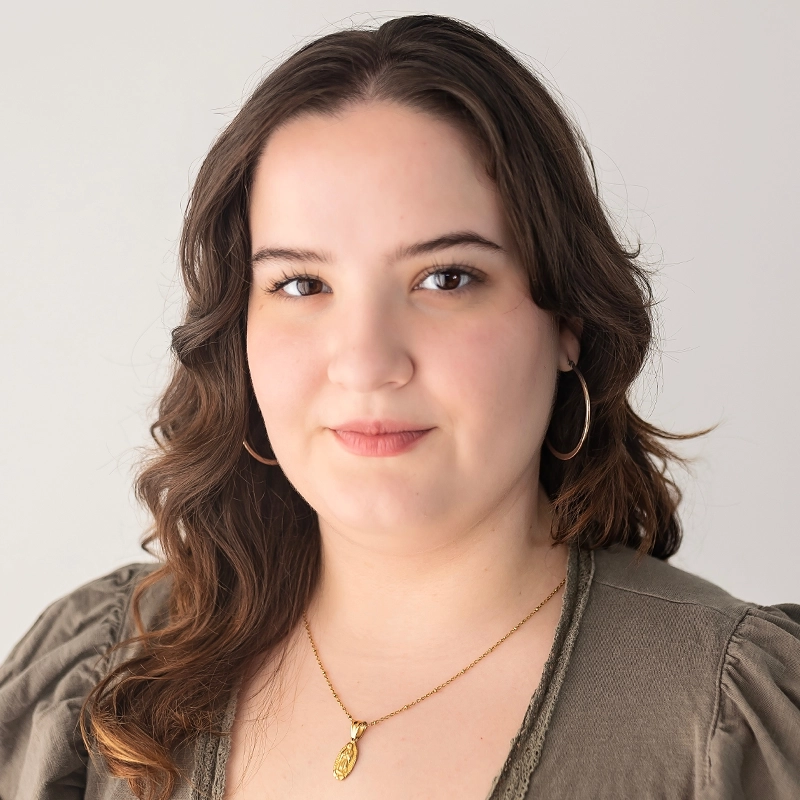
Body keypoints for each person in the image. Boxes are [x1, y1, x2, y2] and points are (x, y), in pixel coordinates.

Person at [1, 13, 798, 800]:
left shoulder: (729, 717)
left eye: (446, 278)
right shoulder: (100, 679)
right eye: (302, 284)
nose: (367, 362)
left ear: (569, 320)